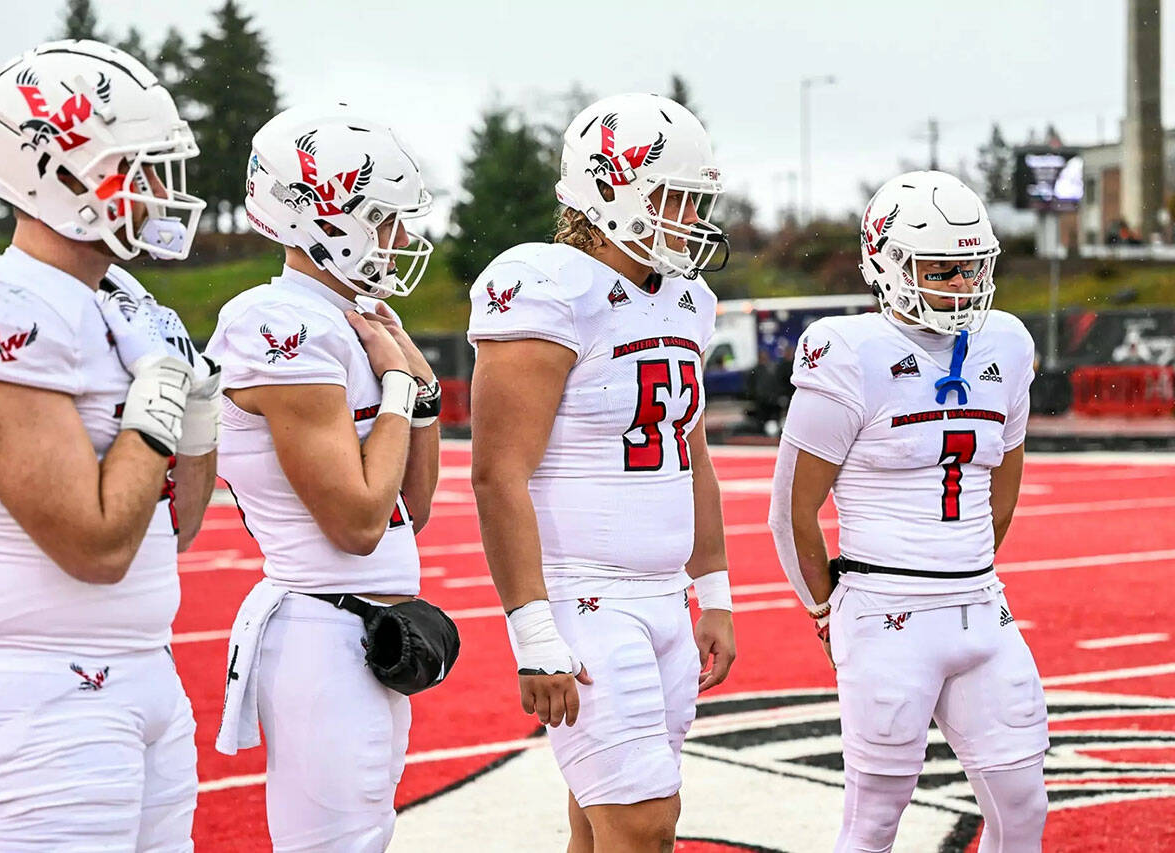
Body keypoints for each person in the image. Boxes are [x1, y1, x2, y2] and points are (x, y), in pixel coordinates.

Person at [0, 39, 217, 850]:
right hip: (47, 689)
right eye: (138, 168)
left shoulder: (122, 299)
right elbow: (95, 546)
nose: (157, 192)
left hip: (146, 671)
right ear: (61, 169)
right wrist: (157, 388)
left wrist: (199, 407)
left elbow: (177, 525)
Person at [469, 92, 737, 852]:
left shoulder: (689, 299)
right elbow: (497, 474)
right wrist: (534, 631)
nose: (690, 216)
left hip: (664, 599)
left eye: (696, 200)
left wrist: (712, 590)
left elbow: (691, 449)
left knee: (600, 822)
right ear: (608, 189)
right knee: (646, 826)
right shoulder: (550, 285)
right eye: (673, 197)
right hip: (584, 595)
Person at [768, 170, 1048, 852]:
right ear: (888, 264)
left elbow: (1000, 489)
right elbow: (791, 511)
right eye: (941, 268)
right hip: (886, 607)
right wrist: (825, 607)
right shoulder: (849, 351)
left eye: (972, 266)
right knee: (875, 819)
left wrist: (963, 569)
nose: (960, 284)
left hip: (981, 602)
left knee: (1024, 801)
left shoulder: (1005, 343)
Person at [210, 105, 451, 853]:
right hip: (321, 624)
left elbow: (412, 503)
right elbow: (356, 521)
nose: (402, 239)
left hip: (366, 628)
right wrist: (401, 396)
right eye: (383, 219)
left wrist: (421, 392)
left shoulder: (357, 316)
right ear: (321, 214)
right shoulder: (278, 322)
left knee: (366, 836)